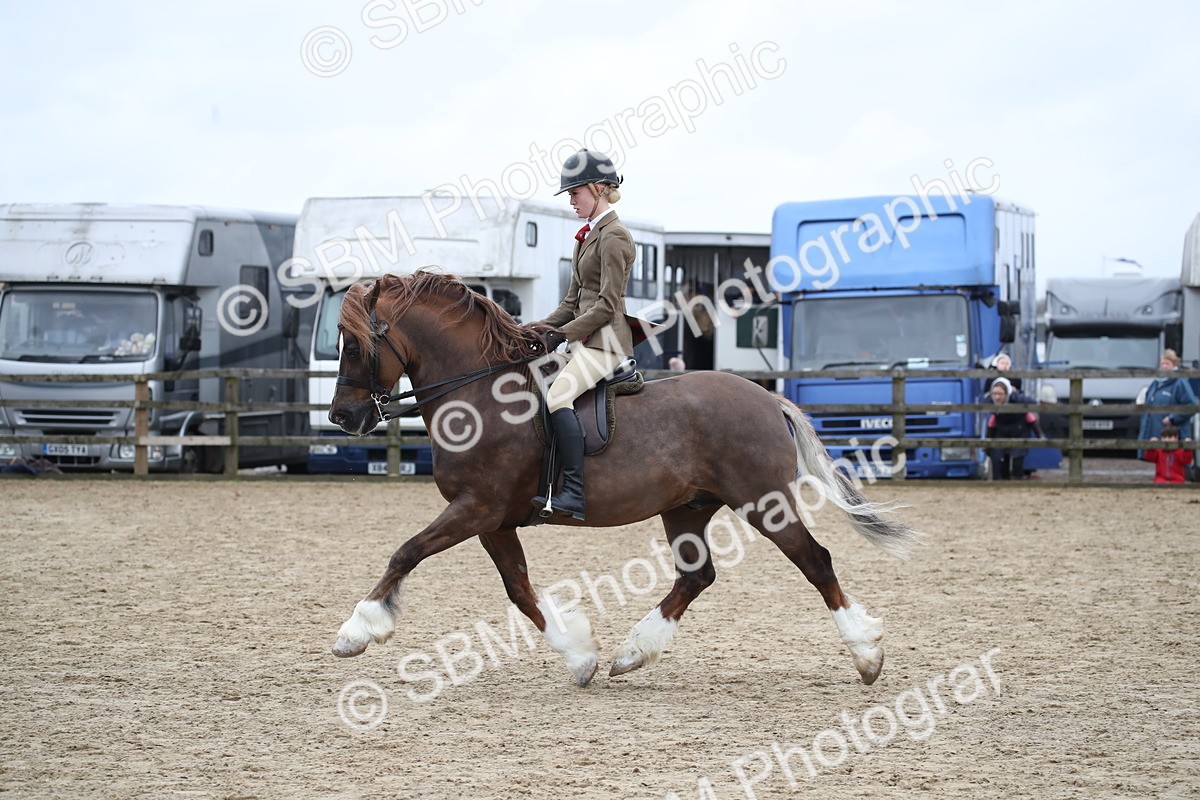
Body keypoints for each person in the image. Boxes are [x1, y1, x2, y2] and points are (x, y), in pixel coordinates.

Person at [528, 149, 636, 521]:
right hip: (584, 341)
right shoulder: (585, 237)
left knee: (558, 395)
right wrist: (537, 330)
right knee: (532, 378)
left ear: (598, 188)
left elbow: (607, 305)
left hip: (607, 343)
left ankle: (574, 491)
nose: (571, 201)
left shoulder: (614, 236)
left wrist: (562, 335)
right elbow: (571, 302)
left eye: (575, 193)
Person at [1136, 349, 1197, 458]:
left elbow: (1191, 405)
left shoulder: (1180, 383)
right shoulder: (1155, 383)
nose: (1164, 366)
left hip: (1172, 435)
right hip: (1155, 433)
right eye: (1162, 363)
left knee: (1173, 462)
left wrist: (1172, 419)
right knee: (1157, 461)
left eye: (1167, 363)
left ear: (1174, 365)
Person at [984, 376, 1043, 480]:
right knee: (999, 458)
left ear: (1007, 393)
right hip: (1001, 430)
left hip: (1019, 430)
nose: (997, 397)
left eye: (1000, 394)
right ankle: (999, 483)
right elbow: (991, 423)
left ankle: (1017, 483)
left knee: (1017, 460)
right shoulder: (989, 401)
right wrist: (987, 444)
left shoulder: (1019, 399)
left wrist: (1040, 435)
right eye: (994, 394)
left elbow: (1033, 406)